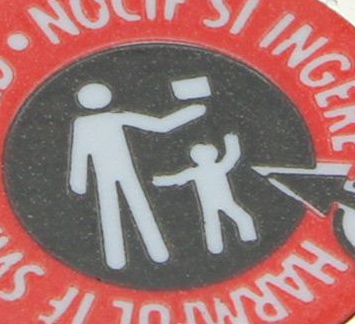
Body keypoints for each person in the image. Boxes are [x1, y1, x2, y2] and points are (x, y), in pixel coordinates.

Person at [68, 82, 206, 270]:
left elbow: (79, 155)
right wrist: (192, 111)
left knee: (113, 211)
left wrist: (78, 182)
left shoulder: (87, 122)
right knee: (134, 207)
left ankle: (122, 259)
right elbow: (161, 125)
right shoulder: (106, 119)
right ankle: (154, 254)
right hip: (119, 173)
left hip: (113, 174)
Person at [152, 133, 257, 255]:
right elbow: (177, 178)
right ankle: (218, 247)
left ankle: (219, 246)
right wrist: (160, 181)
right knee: (219, 223)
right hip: (215, 203)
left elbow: (232, 157)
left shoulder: (216, 167)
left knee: (225, 221)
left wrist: (231, 140)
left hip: (223, 201)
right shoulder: (206, 169)